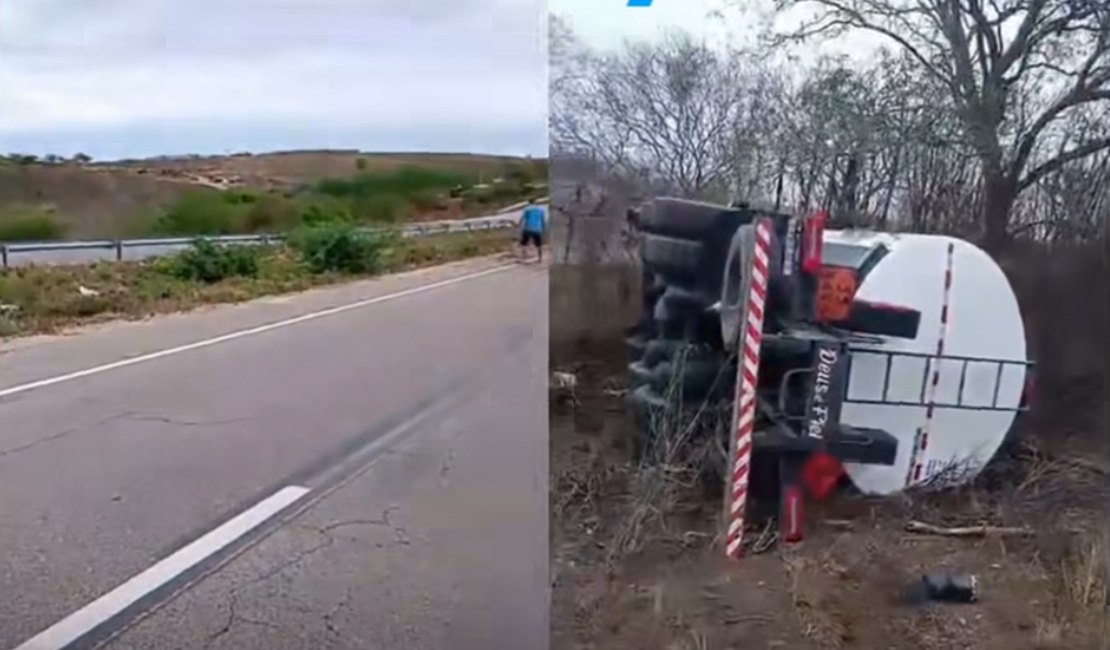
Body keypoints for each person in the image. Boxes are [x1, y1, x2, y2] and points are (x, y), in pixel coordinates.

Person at [518, 198, 546, 263]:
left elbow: (522, 218)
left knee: (524, 244)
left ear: (529, 202)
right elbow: (543, 220)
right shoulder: (540, 210)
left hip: (527, 228)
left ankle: (524, 257)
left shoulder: (527, 209)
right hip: (537, 229)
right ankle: (540, 258)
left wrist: (519, 225)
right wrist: (544, 228)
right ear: (535, 202)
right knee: (539, 244)